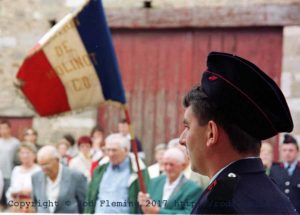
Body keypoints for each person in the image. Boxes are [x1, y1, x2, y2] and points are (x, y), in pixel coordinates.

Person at [179, 52, 297, 214]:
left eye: (188, 127)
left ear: (211, 133)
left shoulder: (219, 205)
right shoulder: (270, 190)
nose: (182, 139)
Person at [85, 133, 150, 214]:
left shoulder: (138, 172)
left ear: (126, 150)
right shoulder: (100, 170)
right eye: (108, 150)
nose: (110, 154)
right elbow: (90, 196)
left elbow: (146, 200)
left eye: (114, 150)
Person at [138, 147, 202, 214]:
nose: (168, 168)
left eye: (172, 164)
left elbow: (189, 213)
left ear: (182, 166)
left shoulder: (193, 189)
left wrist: (159, 211)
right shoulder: (154, 182)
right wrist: (143, 203)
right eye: (165, 164)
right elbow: (145, 210)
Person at [32, 145, 87, 213]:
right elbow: (36, 203)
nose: (44, 168)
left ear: (57, 160)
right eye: (41, 165)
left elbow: (84, 205)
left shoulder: (75, 177)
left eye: (46, 164)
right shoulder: (36, 177)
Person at [270, 134, 300, 212]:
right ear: (280, 151)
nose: (287, 153)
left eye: (291, 150)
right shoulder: (274, 170)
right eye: (284, 150)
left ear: (297, 152)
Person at [6, 143, 40, 212]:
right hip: (16, 205)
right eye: (22, 153)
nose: (25, 155)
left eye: (28, 153)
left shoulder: (38, 170)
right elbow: (11, 189)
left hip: (32, 207)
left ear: (34, 155)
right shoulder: (16, 170)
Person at [0, 119, 20, 207]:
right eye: (1, 128)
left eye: (5, 128)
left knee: (9, 200)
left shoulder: (15, 143)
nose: (3, 130)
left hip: (10, 174)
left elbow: (18, 159)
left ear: (9, 129)